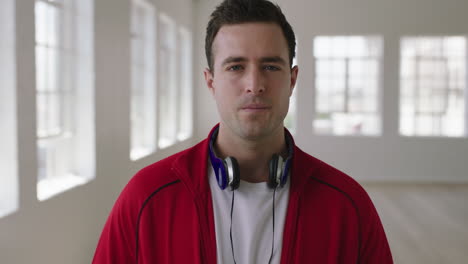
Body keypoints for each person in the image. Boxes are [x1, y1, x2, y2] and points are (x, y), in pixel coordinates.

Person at [93, 0, 393, 263]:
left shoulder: (348, 206)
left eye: (271, 67)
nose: (254, 84)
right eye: (236, 67)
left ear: (292, 79)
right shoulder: (146, 197)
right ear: (211, 81)